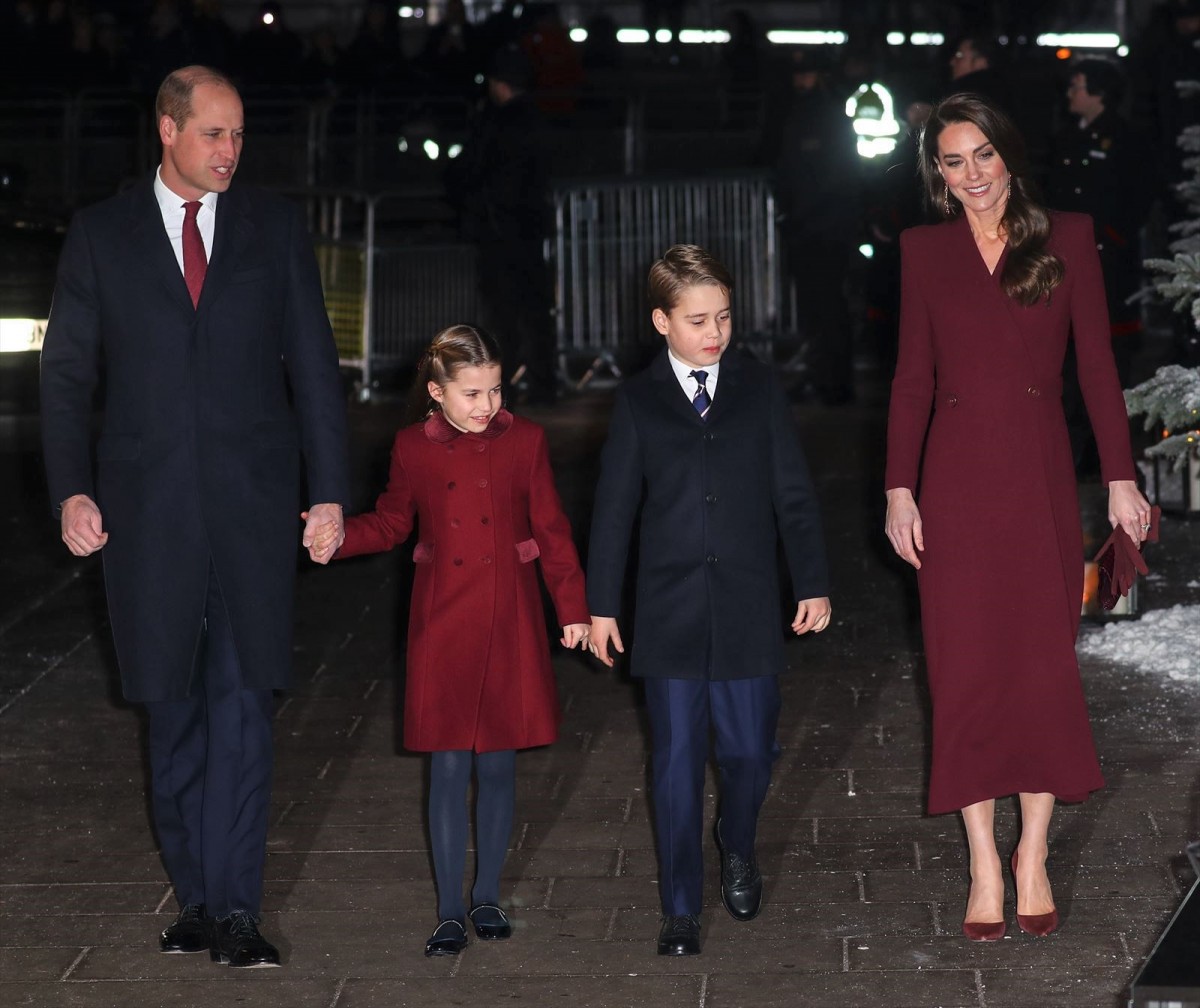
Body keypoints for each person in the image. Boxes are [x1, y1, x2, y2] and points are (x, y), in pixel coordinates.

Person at [40, 65, 349, 968]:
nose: (230, 152)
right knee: (171, 716)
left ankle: (239, 909)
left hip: (254, 513)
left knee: (246, 706)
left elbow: (316, 369)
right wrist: (72, 490)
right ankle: (200, 897)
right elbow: (66, 379)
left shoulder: (274, 229)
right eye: (214, 134)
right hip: (147, 517)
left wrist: (328, 491)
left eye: (240, 135)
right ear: (168, 131)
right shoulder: (101, 236)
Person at [883, 94, 1154, 942]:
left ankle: (1031, 851)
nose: (971, 177)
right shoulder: (923, 251)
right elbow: (911, 378)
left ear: (1010, 155)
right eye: (953, 162)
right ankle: (981, 863)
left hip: (1038, 483)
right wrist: (898, 488)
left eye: (983, 157)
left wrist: (1119, 479)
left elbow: (1100, 370)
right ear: (938, 173)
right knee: (962, 673)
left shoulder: (1067, 236)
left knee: (1039, 670)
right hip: (954, 483)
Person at [585, 245, 832, 956]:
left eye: (723, 316)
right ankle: (681, 906)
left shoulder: (758, 389)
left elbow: (792, 491)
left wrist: (810, 579)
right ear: (662, 321)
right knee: (674, 763)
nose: (714, 332)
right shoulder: (636, 400)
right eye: (697, 320)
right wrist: (604, 604)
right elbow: (613, 510)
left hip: (749, 603)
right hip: (667, 612)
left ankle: (738, 841)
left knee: (750, 754)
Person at [314, 325, 590, 957]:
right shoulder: (414, 448)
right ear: (437, 393)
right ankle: (446, 909)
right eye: (471, 393)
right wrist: (339, 536)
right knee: (446, 767)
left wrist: (571, 607)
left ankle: (486, 895)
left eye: (494, 390)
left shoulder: (526, 441)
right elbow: (390, 521)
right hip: (443, 622)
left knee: (497, 764)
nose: (486, 405)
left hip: (510, 619)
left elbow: (551, 529)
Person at [1048, 60, 1152, 473]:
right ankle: (1076, 446)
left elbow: (1137, 197)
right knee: (1070, 358)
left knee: (1110, 356)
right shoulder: (1067, 138)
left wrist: (1110, 236)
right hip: (1067, 262)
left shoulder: (1126, 138)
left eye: (1078, 86)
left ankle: (1102, 451)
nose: (1071, 93)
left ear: (1099, 92)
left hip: (1109, 264)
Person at [448, 42, 558, 406]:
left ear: (499, 83)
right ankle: (544, 383)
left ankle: (501, 388)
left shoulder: (494, 122)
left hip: (498, 229)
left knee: (502, 314)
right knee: (536, 310)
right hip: (529, 227)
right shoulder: (538, 120)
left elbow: (471, 169)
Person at [768, 48, 861, 405]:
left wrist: (801, 215)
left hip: (823, 226)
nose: (800, 80)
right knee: (819, 309)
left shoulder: (823, 114)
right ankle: (826, 378)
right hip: (816, 226)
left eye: (806, 74)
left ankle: (833, 382)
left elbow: (827, 177)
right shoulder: (809, 112)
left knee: (827, 309)